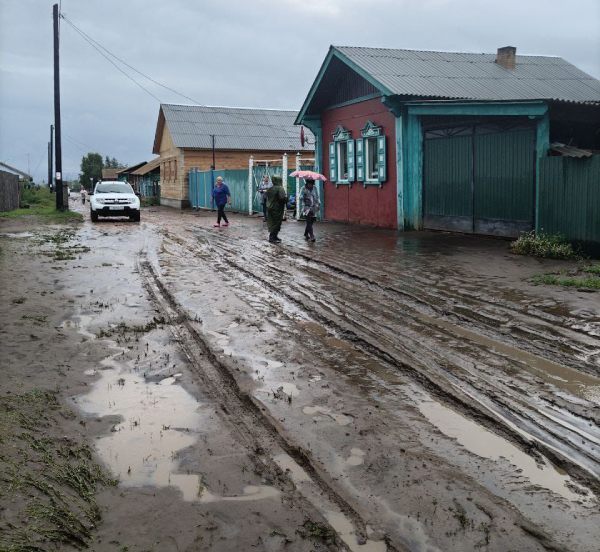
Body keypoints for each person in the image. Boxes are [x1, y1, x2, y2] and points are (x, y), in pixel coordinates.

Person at [265, 175, 287, 243]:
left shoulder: (270, 188)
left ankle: (274, 236)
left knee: (272, 222)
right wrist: (286, 199)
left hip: (270, 207)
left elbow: (267, 197)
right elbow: (282, 198)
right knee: (276, 223)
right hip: (277, 208)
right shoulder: (280, 188)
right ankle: (272, 237)